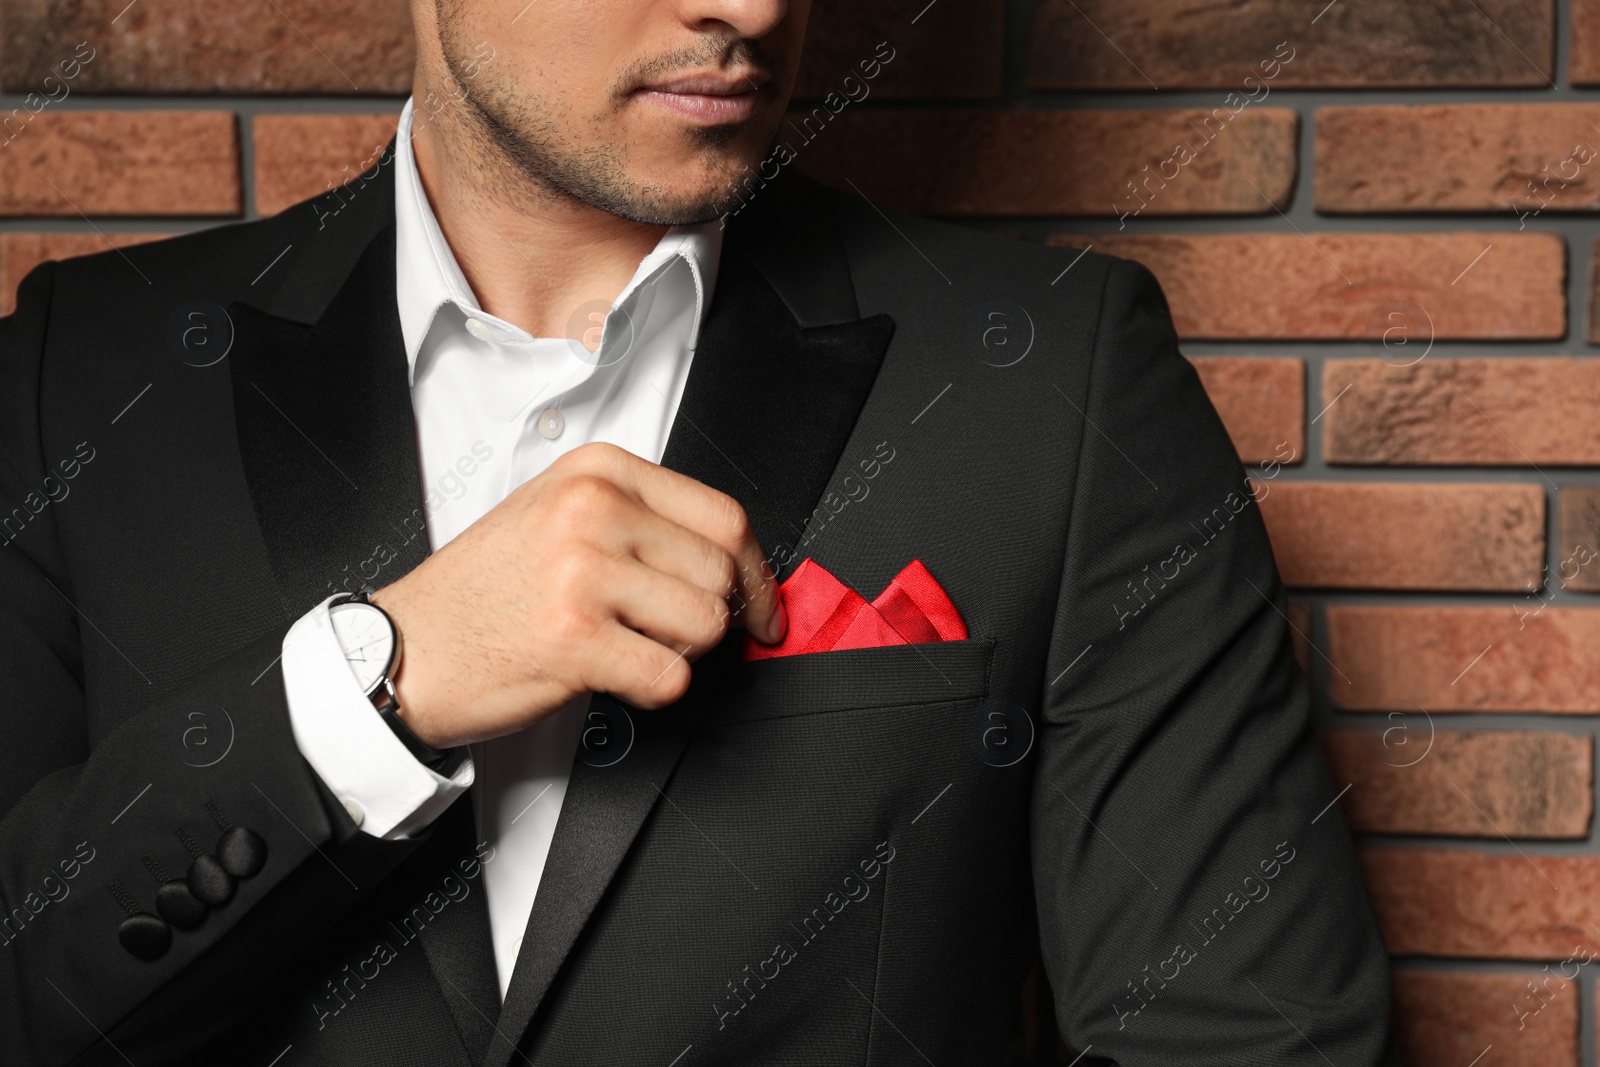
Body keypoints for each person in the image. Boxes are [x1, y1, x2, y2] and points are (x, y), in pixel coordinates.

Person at [0, 0, 1391, 1063]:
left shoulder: (1052, 372)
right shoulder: (90, 373)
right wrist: (383, 688)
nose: (754, 7)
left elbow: (1245, 1031)